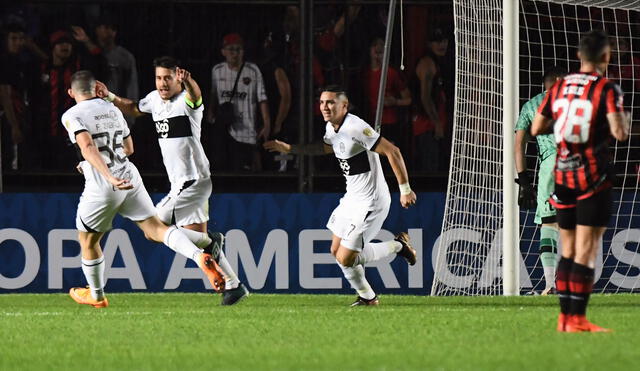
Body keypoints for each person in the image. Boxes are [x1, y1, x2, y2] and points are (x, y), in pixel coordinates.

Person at [62, 70, 225, 308]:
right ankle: (200, 255)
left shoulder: (72, 114)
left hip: (104, 184)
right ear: (94, 87)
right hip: (129, 175)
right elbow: (128, 148)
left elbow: (86, 145)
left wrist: (106, 174)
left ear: (71, 92)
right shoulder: (112, 109)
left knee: (88, 241)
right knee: (155, 230)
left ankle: (96, 296)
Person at [96, 56, 248, 305]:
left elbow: (196, 95)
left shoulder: (186, 102)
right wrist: (110, 97)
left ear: (177, 78)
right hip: (181, 182)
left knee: (152, 228)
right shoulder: (155, 100)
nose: (162, 83)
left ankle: (212, 240)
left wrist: (189, 81)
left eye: (168, 78)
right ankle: (234, 285)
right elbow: (134, 107)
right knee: (198, 241)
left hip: (193, 181)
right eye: (158, 78)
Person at [264, 86, 418, 306]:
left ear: (344, 106)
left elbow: (393, 151)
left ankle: (397, 249)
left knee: (347, 258)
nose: (325, 107)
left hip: (371, 201)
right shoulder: (332, 127)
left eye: (331, 102)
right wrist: (290, 149)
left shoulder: (356, 127)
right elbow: (326, 148)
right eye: (322, 102)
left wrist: (405, 190)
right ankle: (367, 297)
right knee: (336, 251)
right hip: (352, 198)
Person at [532, 30, 630, 332]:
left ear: (578, 56)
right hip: (591, 176)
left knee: (569, 248)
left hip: (562, 174)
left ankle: (564, 318)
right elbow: (620, 134)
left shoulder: (560, 85)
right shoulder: (606, 88)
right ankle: (577, 318)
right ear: (606, 56)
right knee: (586, 250)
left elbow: (537, 127)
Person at [514, 66, 567, 296]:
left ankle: (549, 285)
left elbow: (518, 145)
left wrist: (524, 181)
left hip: (550, 167)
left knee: (550, 224)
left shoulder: (531, 105)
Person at [36, 27, 107, 171]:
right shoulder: (42, 68)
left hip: (74, 130)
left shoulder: (78, 67)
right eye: (60, 43)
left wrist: (87, 41)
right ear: (53, 47)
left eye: (68, 43)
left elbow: (101, 63)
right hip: (46, 130)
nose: (65, 46)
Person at [207, 33, 271, 172]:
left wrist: (266, 124)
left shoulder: (252, 71)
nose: (235, 53)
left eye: (238, 49)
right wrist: (211, 111)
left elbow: (262, 98)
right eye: (231, 49)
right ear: (223, 52)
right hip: (225, 130)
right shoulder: (217, 71)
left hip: (246, 131)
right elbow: (213, 93)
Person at [362, 37, 411, 157]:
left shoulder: (391, 73)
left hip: (388, 123)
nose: (378, 50)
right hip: (368, 123)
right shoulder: (363, 74)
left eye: (381, 48)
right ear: (370, 50)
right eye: (375, 46)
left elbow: (408, 99)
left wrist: (395, 102)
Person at [412, 27, 449, 172]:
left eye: (444, 41)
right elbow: (425, 97)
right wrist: (437, 123)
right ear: (429, 44)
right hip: (426, 125)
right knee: (430, 167)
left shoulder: (438, 63)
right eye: (437, 41)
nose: (442, 45)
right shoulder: (427, 64)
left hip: (432, 124)